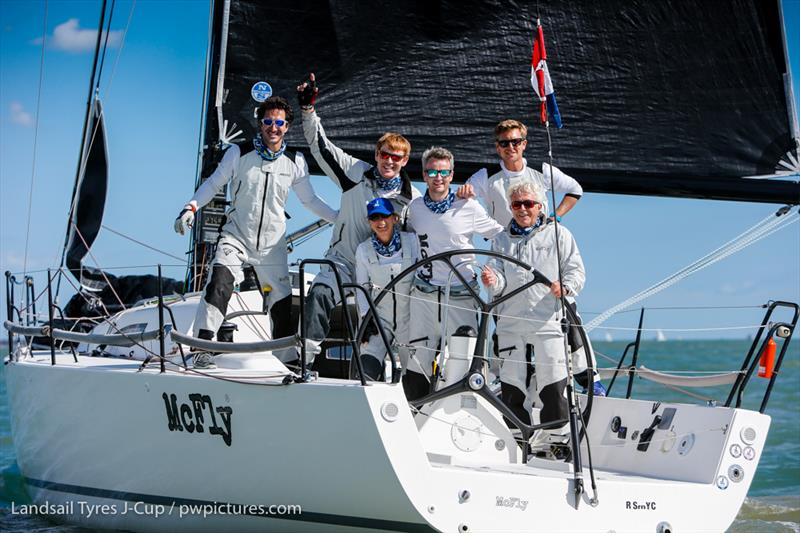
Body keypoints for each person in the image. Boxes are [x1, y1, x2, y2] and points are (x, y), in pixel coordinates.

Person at [174, 96, 337, 368]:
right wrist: (190, 207)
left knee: (281, 302)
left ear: (287, 127)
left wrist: (340, 218)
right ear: (260, 124)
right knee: (219, 283)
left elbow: (310, 200)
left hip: (272, 246)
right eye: (268, 121)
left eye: (279, 123)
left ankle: (287, 363)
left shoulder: (295, 161)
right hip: (236, 236)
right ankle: (202, 347)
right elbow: (214, 184)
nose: (273, 127)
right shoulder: (238, 153)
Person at [296, 73, 421, 364]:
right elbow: (321, 147)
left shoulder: (411, 198)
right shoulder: (355, 174)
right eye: (386, 154)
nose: (390, 161)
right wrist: (307, 111)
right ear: (377, 155)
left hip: (382, 273)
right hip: (344, 260)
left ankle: (398, 379)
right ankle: (304, 360)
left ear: (404, 162)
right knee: (319, 295)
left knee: (377, 336)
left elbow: (423, 239)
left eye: (397, 158)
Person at [480, 178, 584, 455]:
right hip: (511, 324)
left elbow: (576, 272)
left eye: (528, 204)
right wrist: (492, 280)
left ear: (540, 206)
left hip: (548, 321)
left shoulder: (559, 235)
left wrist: (566, 286)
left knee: (554, 385)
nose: (523, 209)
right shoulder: (501, 239)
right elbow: (499, 279)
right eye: (517, 204)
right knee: (512, 387)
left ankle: (557, 445)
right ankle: (518, 444)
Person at [403, 146, 504, 400]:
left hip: (460, 296)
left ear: (452, 174)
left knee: (463, 360)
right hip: (424, 297)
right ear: (424, 175)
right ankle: (416, 411)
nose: (439, 177)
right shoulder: (414, 209)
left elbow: (501, 235)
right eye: (433, 172)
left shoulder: (468, 207)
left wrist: (497, 272)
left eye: (444, 172)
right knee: (418, 360)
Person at [457, 119, 582, 225]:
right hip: (503, 246)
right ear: (498, 147)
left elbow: (575, 189)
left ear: (524, 144)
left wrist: (556, 216)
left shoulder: (542, 171)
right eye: (504, 143)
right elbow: (460, 200)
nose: (510, 147)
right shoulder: (485, 176)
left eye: (515, 142)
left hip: (540, 243)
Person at [354, 198, 420, 380]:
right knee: (366, 368)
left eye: (385, 216)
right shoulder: (363, 250)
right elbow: (361, 288)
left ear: (394, 218)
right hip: (379, 320)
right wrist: (366, 319)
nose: (380, 222)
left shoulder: (413, 242)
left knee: (414, 374)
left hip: (410, 319)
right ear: (369, 222)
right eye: (375, 218)